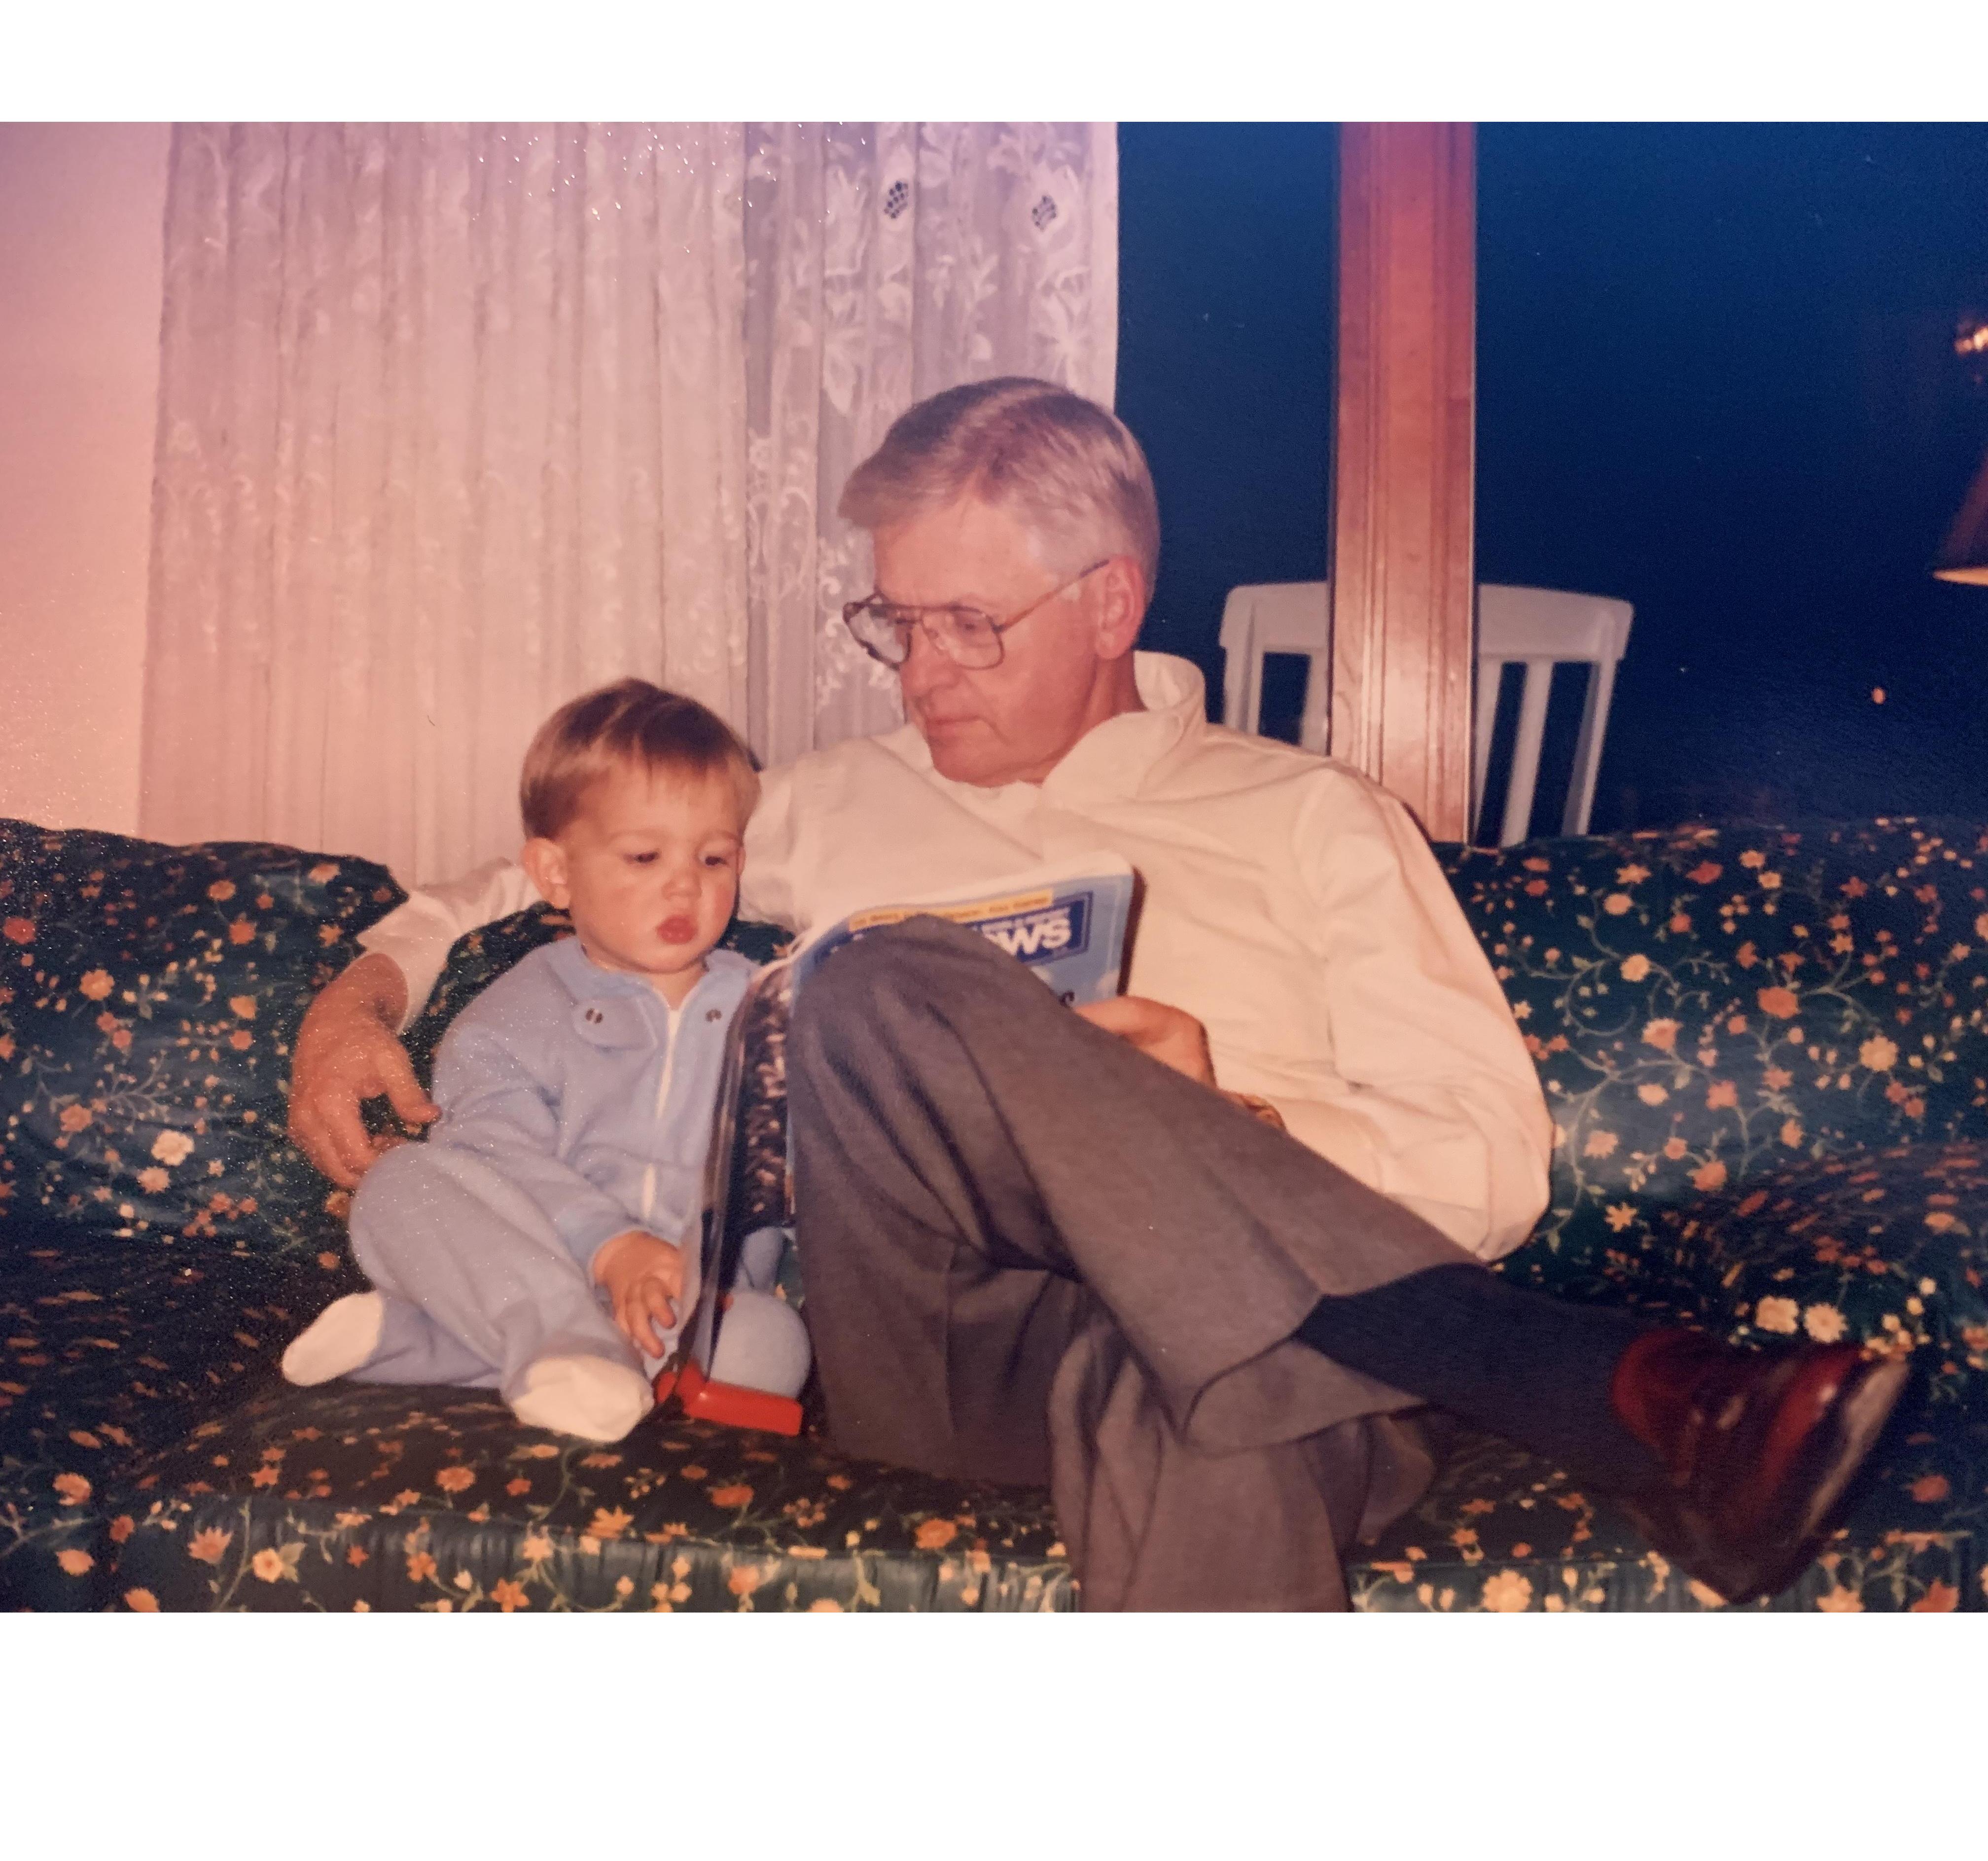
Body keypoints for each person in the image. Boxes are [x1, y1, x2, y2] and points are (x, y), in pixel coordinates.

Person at [288, 379, 1908, 1609]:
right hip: (934, 1342)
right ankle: (1588, 1383)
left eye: (971, 627)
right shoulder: (830, 802)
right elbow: (558, 860)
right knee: (873, 983)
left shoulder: (1311, 819)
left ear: (1113, 604)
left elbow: (1492, 1161)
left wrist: (1229, 1118)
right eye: (896, 625)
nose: (924, 676)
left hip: (1277, 1367)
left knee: (1204, 1395)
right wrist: (368, 983)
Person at [280, 680, 809, 1446]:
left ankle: (421, 1345)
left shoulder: (771, 1010)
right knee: (400, 1182)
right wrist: (609, 1244)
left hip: (689, 1299)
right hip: (537, 1257)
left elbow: (799, 1171)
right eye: (643, 855)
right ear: (556, 873)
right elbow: (493, 1147)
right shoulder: (521, 1006)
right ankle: (562, 1342)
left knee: (772, 1344)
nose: (685, 883)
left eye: (715, 856)